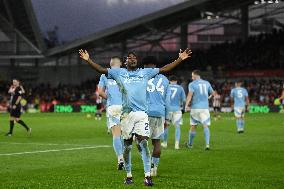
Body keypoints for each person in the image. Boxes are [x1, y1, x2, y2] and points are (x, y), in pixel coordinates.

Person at [79, 48, 192, 186]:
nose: (132, 59)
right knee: (127, 146)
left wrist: (180, 59)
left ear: (136, 61)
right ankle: (128, 175)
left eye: (134, 57)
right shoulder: (119, 72)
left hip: (142, 114)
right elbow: (101, 70)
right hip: (126, 115)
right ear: (125, 61)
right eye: (129, 57)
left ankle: (147, 176)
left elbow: (165, 69)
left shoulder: (145, 72)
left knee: (144, 143)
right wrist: (88, 60)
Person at [143, 56, 170, 177]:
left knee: (142, 141)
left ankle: (147, 166)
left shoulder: (142, 76)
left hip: (145, 113)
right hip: (160, 113)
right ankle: (154, 167)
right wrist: (167, 117)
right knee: (157, 142)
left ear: (145, 66)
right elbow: (167, 101)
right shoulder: (165, 79)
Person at [98, 56, 124, 170]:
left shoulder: (104, 75)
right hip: (126, 106)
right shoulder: (126, 72)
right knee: (125, 134)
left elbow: (100, 92)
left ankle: (120, 158)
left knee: (116, 133)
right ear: (121, 64)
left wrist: (109, 97)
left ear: (110, 64)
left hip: (113, 106)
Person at [185, 70, 216, 150]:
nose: (192, 78)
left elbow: (190, 95)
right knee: (205, 125)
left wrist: (186, 105)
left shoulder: (192, 84)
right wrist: (208, 98)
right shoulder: (207, 83)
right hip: (205, 108)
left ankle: (190, 144)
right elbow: (213, 94)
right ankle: (207, 145)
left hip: (195, 108)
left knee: (193, 126)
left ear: (195, 75)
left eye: (192, 76)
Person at [161, 75, 186, 150]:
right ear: (176, 81)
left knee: (166, 126)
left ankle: (165, 143)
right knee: (177, 126)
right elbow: (184, 100)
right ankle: (176, 145)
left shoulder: (166, 87)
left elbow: (162, 99)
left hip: (168, 109)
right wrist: (183, 108)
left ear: (169, 81)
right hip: (177, 109)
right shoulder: (180, 88)